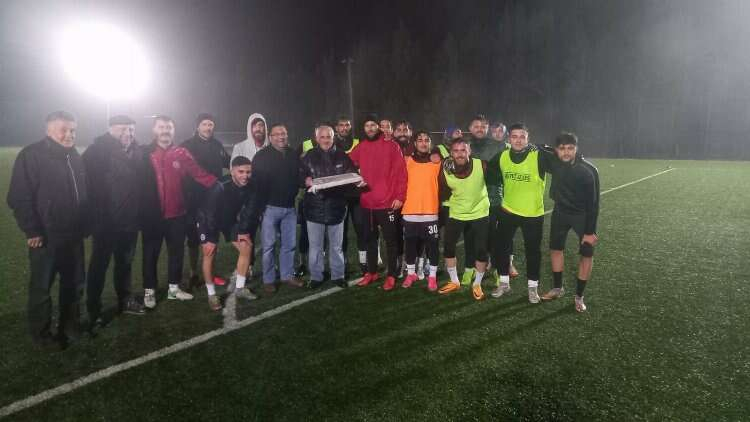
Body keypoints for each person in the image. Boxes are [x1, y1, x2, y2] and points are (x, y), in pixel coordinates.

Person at [7, 111, 88, 348]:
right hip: (46, 236)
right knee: (42, 288)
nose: (69, 134)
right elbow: (19, 196)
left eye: (73, 130)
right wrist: (32, 230)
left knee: (74, 283)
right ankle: (41, 335)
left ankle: (69, 326)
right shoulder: (31, 155)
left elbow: (82, 194)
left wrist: (85, 222)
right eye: (64, 130)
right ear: (49, 130)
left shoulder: (74, 156)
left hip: (73, 235)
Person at [140, 115, 217, 309]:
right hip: (152, 216)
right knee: (150, 254)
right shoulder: (144, 153)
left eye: (169, 127)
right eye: (161, 127)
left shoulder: (181, 153)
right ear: (154, 130)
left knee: (176, 253)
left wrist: (219, 186)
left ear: (173, 131)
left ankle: (174, 288)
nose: (165, 130)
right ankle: (149, 290)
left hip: (177, 214)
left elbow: (199, 174)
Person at [82, 115, 145, 326]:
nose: (127, 133)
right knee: (99, 266)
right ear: (110, 129)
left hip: (130, 221)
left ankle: (125, 300)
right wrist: (92, 217)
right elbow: (84, 186)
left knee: (125, 263)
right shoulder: (96, 152)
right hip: (105, 222)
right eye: (122, 129)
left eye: (131, 129)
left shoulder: (137, 151)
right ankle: (93, 309)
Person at [487, 123, 554, 303]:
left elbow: (560, 162)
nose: (518, 140)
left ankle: (533, 288)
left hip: (533, 214)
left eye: (522, 136)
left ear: (527, 138)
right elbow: (488, 173)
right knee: (502, 248)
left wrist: (544, 148)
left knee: (533, 251)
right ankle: (503, 283)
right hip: (508, 210)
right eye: (514, 136)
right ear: (509, 138)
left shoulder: (538, 155)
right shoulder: (501, 156)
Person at [540, 132, 600, 312]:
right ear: (556, 150)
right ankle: (558, 288)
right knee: (555, 249)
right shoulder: (554, 161)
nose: (566, 152)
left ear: (576, 149)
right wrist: (545, 147)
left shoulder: (588, 170)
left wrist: (590, 232)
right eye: (562, 148)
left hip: (582, 216)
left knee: (587, 253)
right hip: (560, 212)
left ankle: (579, 296)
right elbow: (538, 147)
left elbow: (594, 204)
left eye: (570, 148)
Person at [349, 114, 407, 291]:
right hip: (367, 202)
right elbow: (347, 163)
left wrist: (400, 197)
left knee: (391, 241)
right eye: (367, 125)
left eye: (373, 125)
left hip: (387, 202)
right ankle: (372, 272)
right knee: (369, 239)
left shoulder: (392, 146)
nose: (370, 128)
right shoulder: (361, 147)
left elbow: (401, 173)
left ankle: (391, 275)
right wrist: (355, 178)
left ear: (379, 127)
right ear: (363, 128)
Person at [197, 156, 261, 310]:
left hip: (228, 220)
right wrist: (210, 239)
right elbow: (209, 213)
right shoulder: (219, 186)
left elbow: (250, 210)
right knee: (209, 252)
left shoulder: (252, 185)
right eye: (241, 172)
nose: (245, 176)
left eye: (248, 172)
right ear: (232, 171)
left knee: (246, 246)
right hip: (207, 220)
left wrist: (243, 231)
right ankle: (212, 295)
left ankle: (240, 288)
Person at [300, 124, 359, 288]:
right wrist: (305, 180)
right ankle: (316, 277)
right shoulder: (308, 156)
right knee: (315, 247)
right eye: (322, 137)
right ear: (316, 138)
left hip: (336, 207)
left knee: (336, 246)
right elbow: (299, 175)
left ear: (333, 138)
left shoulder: (342, 156)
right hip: (314, 207)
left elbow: (352, 174)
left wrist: (357, 180)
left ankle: (338, 275)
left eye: (329, 137)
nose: (326, 140)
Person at [251, 123, 305, 293]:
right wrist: (259, 209)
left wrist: (306, 182)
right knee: (268, 246)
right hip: (269, 208)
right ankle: (268, 279)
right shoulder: (261, 156)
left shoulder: (292, 154)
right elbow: (256, 185)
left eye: (284, 133)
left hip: (289, 207)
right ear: (270, 137)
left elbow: (298, 177)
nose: (282, 137)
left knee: (289, 244)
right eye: (278, 134)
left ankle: (287, 275)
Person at [437, 138, 490, 301]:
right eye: (456, 151)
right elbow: (443, 189)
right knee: (448, 247)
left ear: (469, 151)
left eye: (463, 150)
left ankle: (477, 284)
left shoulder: (482, 165)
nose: (460, 154)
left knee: (481, 250)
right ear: (451, 153)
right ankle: (454, 281)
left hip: (479, 212)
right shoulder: (445, 167)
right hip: (457, 212)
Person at [181, 113, 230, 289]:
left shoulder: (217, 145)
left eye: (210, 124)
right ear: (197, 126)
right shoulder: (187, 146)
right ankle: (193, 274)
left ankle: (211, 273)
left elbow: (229, 162)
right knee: (193, 239)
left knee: (212, 237)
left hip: (214, 201)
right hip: (193, 199)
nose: (208, 127)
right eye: (204, 124)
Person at [400, 131, 442, 291]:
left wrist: (438, 153)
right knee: (410, 245)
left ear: (430, 143)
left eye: (426, 140)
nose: (423, 143)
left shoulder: (437, 162)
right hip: (410, 211)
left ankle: (432, 277)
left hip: (430, 211)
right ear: (415, 143)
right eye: (420, 140)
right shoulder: (407, 161)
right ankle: (411, 274)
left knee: (433, 247)